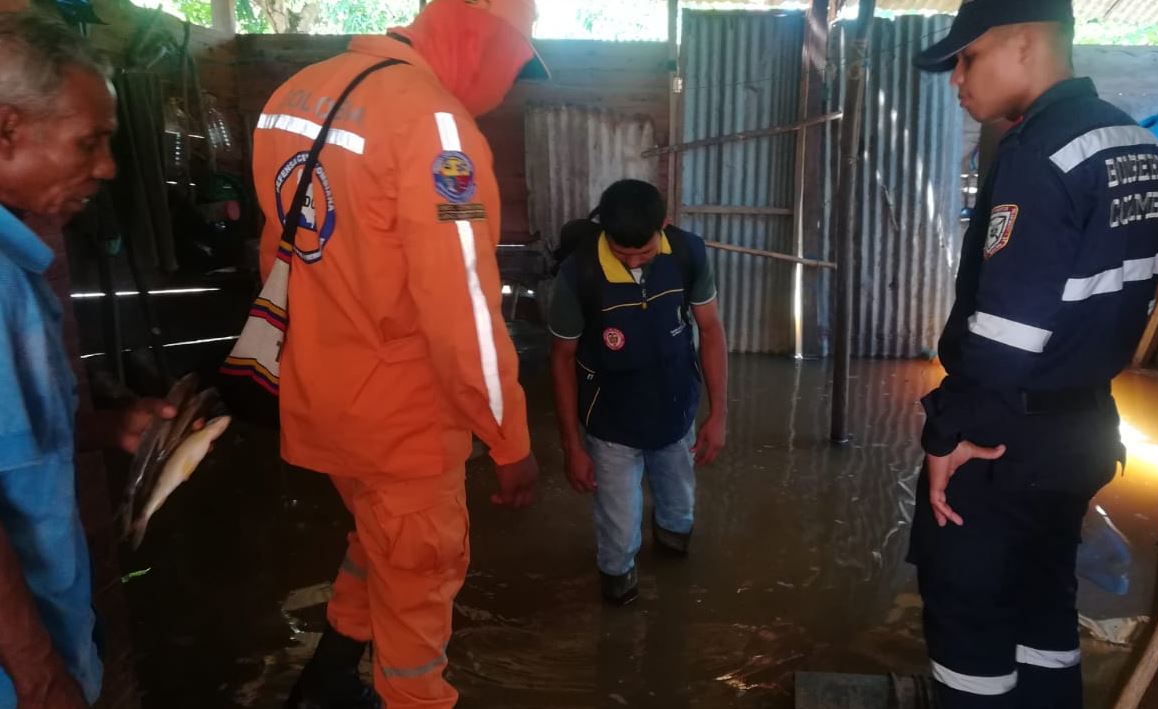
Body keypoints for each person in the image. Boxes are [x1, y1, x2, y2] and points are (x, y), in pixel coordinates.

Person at [250, 1, 546, 706]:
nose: (506, 87)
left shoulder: (299, 93)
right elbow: (465, 310)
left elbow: (280, 254)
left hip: (321, 396)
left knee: (378, 539)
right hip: (400, 420)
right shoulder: (435, 125)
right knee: (420, 576)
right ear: (478, 40)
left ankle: (326, 677)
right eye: (511, 66)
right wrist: (510, 441)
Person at [909, 1, 1158, 707]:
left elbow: (1004, 336)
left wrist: (948, 432)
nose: (957, 79)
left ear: (1024, 42)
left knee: (970, 620)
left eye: (967, 58)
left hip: (1004, 443)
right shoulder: (1138, 147)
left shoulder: (1039, 150)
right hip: (1084, 429)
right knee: (1043, 607)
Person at [0, 8, 190, 707]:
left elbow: (14, 437)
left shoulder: (17, 266)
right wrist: (38, 672)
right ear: (6, 129)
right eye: (91, 143)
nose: (109, 167)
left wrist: (106, 429)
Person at [549, 179, 727, 605]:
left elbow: (710, 329)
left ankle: (672, 556)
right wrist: (572, 446)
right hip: (611, 424)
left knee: (679, 511)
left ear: (664, 226)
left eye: (643, 254)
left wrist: (718, 414)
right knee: (617, 530)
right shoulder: (578, 273)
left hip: (675, 411)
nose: (632, 262)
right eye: (621, 252)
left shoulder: (688, 253)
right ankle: (619, 589)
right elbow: (560, 360)